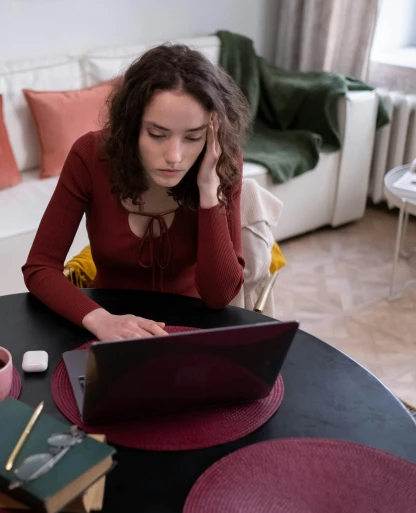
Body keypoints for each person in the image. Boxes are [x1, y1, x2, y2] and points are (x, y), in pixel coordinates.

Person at [22, 43, 250, 341]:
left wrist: (209, 190)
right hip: (108, 324)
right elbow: (40, 267)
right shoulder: (90, 156)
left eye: (193, 137)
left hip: (192, 330)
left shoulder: (223, 162)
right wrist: (100, 320)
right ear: (131, 127)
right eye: (157, 135)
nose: (174, 156)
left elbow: (219, 295)